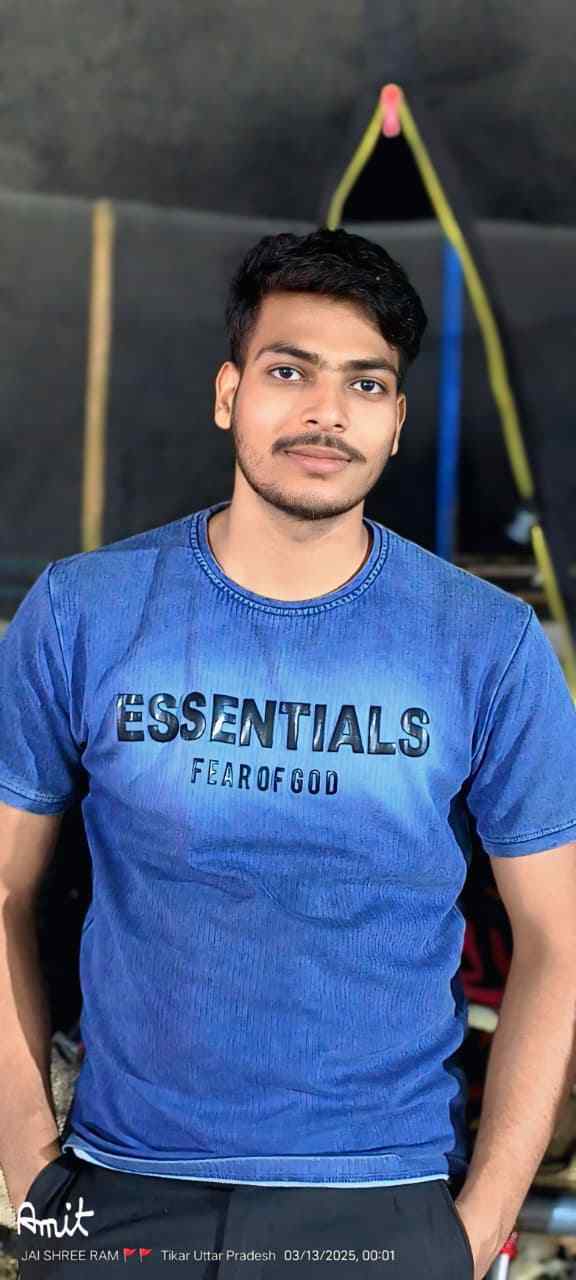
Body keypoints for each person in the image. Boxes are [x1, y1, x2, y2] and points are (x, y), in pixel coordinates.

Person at [1, 227, 576, 1280]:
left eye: (366, 383)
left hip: (381, 1204)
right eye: (288, 371)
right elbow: (3, 891)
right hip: (118, 1195)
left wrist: (478, 1222)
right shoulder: (85, 611)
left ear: (396, 422)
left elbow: (558, 937)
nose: (327, 411)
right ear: (229, 394)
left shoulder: (486, 644)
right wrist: (30, 1168)